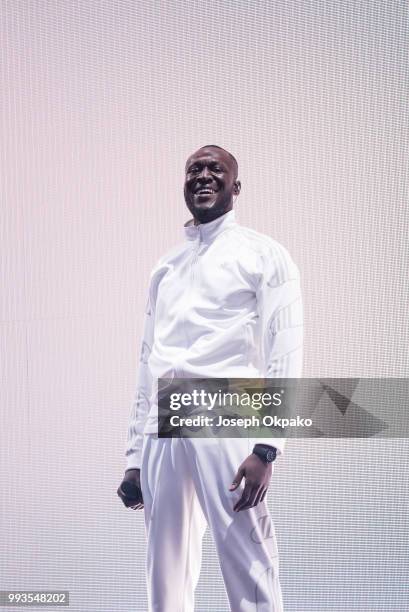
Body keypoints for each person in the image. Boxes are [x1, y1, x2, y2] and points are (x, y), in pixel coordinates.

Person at [117, 145, 303, 612]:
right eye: (193, 169)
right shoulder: (167, 268)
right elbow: (147, 361)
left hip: (227, 412)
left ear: (235, 187)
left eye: (215, 169)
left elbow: (286, 348)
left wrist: (267, 447)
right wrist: (135, 457)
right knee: (165, 567)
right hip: (166, 421)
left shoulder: (263, 254)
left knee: (248, 557)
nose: (203, 176)